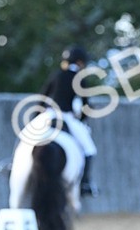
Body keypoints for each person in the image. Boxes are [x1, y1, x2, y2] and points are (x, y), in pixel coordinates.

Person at [40, 45, 98, 195]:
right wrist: (82, 118)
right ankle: (85, 184)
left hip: (48, 114)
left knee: (25, 137)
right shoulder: (79, 79)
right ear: (79, 62)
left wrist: (37, 117)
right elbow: (85, 106)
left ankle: (13, 165)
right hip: (66, 117)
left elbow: (42, 98)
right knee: (90, 150)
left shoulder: (56, 74)